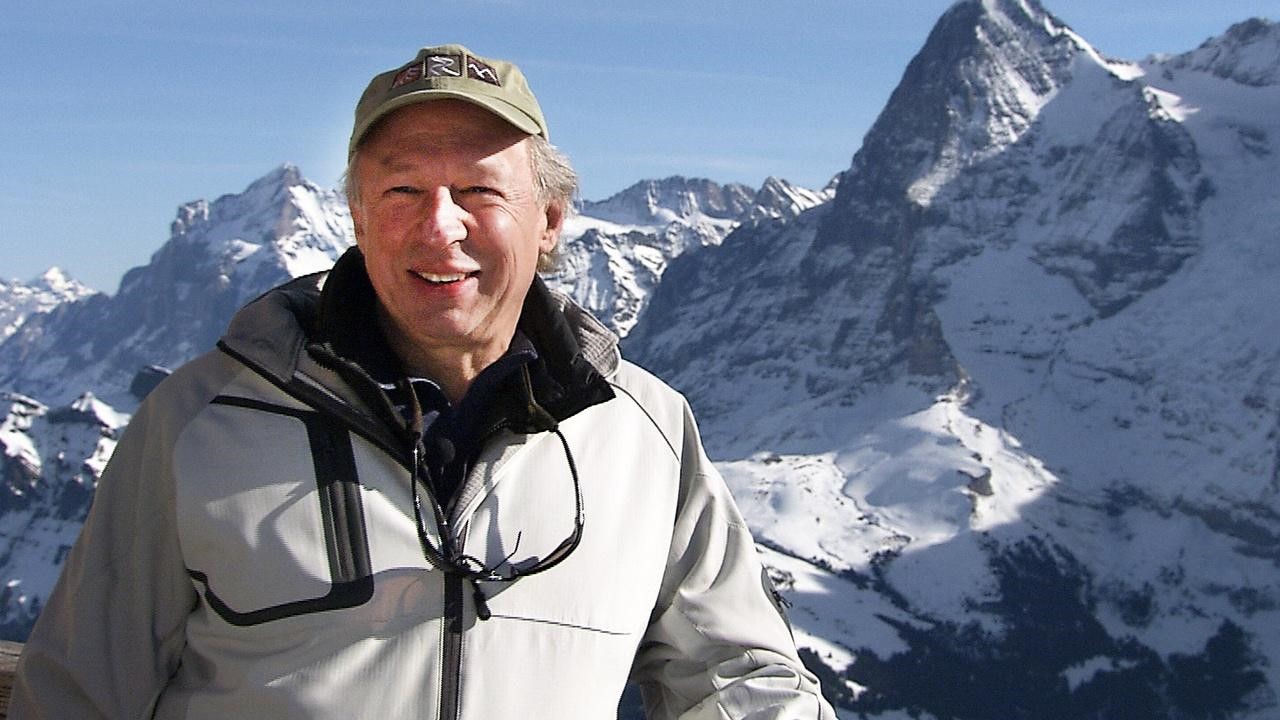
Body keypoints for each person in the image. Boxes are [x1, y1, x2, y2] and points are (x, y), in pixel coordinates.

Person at [11, 44, 835, 719]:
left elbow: (739, 680)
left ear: (549, 222)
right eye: (402, 189)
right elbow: (79, 693)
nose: (441, 228)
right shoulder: (199, 420)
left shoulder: (643, 431)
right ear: (358, 217)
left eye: (480, 190)